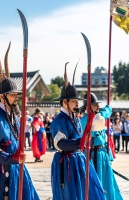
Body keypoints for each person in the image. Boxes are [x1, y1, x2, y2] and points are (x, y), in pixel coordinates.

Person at [0, 42, 39, 200]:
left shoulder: (13, 116)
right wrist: (10, 159)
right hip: (2, 172)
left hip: (17, 168)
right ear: (2, 97)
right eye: (13, 95)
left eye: (16, 95)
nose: (16, 98)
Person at [50, 64, 105, 200]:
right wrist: (80, 142)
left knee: (86, 193)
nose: (77, 104)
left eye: (77, 101)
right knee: (70, 195)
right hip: (66, 164)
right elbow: (60, 143)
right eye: (74, 101)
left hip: (79, 159)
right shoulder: (59, 120)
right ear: (64, 102)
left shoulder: (74, 117)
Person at [80, 93, 123, 200]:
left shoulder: (96, 116)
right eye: (94, 104)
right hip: (91, 155)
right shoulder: (85, 119)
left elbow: (105, 113)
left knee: (107, 182)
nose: (97, 106)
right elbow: (105, 113)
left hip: (101, 153)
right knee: (95, 183)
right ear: (87, 106)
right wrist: (108, 107)